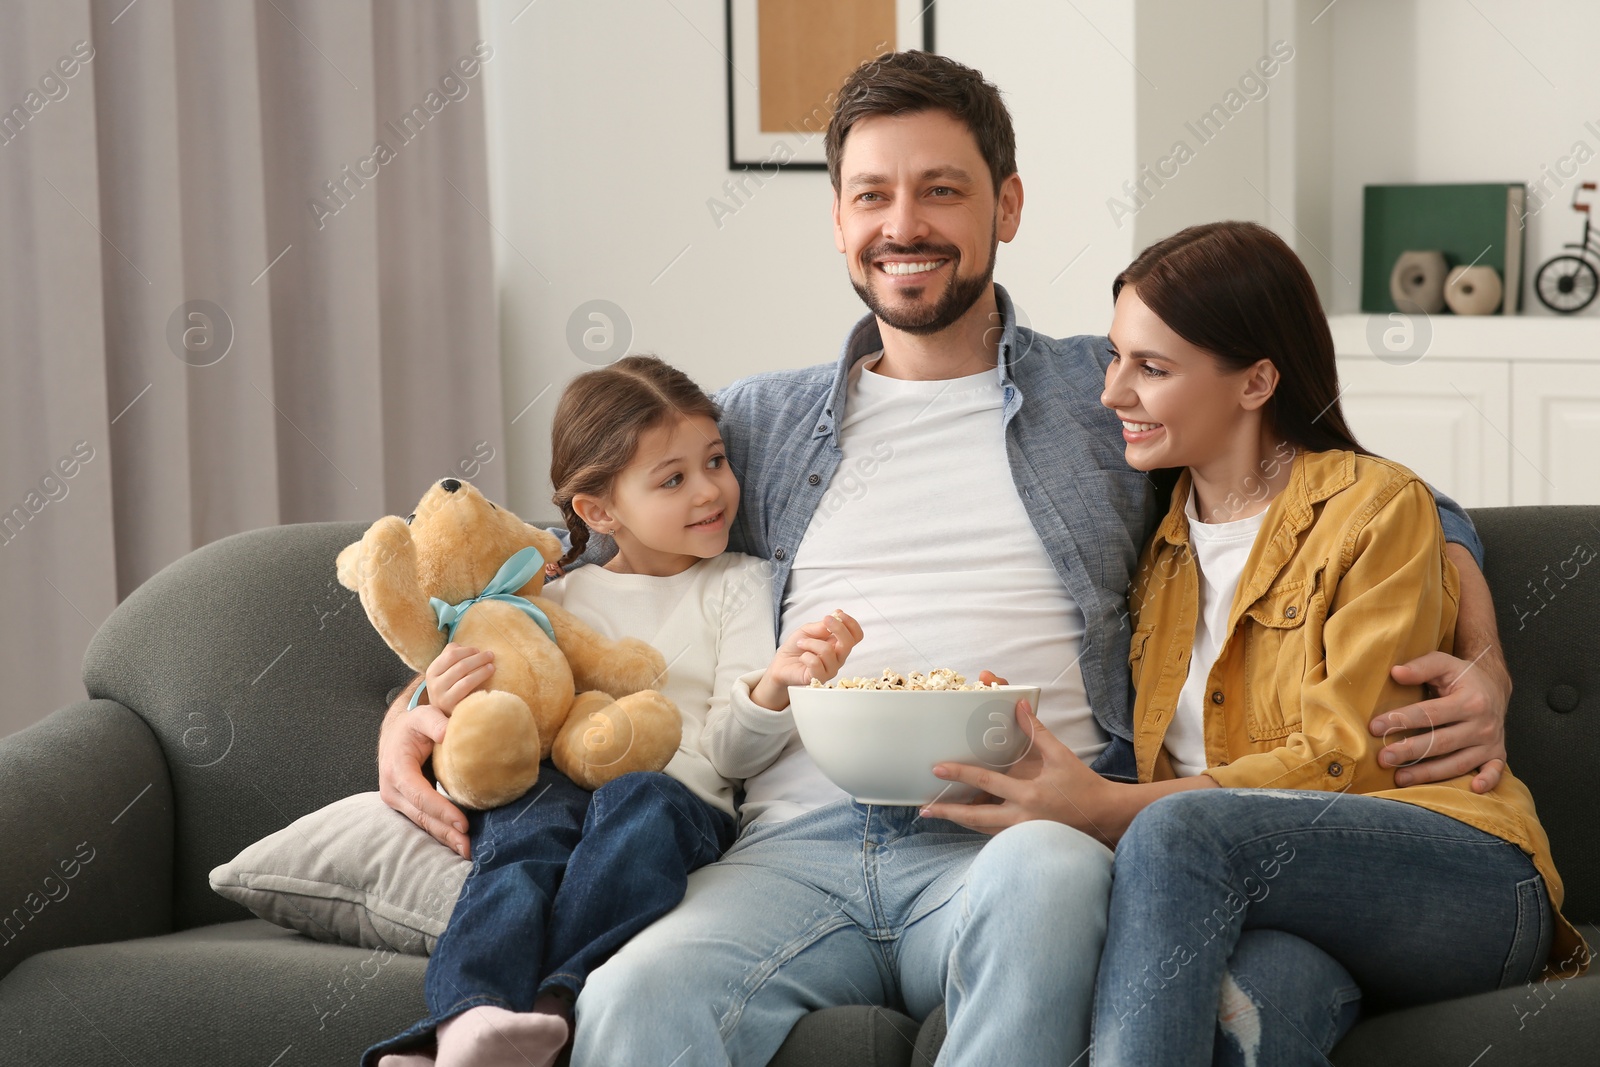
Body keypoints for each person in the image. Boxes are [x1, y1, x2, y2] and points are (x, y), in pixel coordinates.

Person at [377, 52, 1519, 1065]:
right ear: (836, 219)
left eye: (941, 190)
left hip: (1022, 833)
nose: (902, 223)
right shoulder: (754, 426)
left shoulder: (1100, 392)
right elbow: (552, 559)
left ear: (1005, 206)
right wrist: (421, 700)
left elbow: (1359, 486)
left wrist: (1482, 654)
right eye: (871, 194)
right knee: (633, 993)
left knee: (1055, 884)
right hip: (789, 843)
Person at [930, 222, 1588, 1066]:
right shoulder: (1159, 548)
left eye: (1151, 369)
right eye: (1116, 359)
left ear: (1258, 381)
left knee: (1174, 831)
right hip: (1278, 904)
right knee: (1251, 1011)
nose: (1112, 394)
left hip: (1455, 874)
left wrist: (1106, 807)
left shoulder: (1375, 508)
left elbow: (1350, 756)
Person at [364, 356, 862, 1067]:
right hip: (562, 786)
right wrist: (436, 700)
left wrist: (773, 686)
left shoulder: (736, 584)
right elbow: (502, 712)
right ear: (598, 510)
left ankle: (549, 1006)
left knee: (639, 797)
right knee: (521, 843)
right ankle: (465, 1022)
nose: (711, 489)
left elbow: (729, 753)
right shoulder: (554, 600)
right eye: (673, 478)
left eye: (715, 461)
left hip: (678, 800)